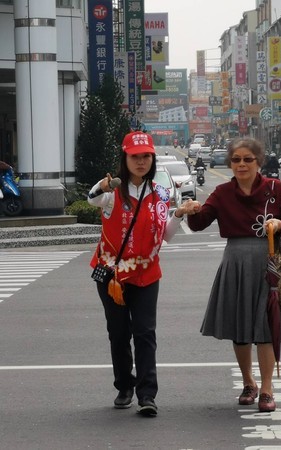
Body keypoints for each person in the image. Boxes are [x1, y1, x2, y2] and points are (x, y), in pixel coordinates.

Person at [88, 131, 197, 417]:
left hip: (147, 274)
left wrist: (179, 214)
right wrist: (102, 184)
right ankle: (124, 386)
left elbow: (166, 237)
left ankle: (147, 394)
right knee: (119, 333)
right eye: (135, 156)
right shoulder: (112, 192)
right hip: (113, 275)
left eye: (146, 156)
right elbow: (91, 200)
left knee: (145, 333)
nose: (141, 161)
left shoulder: (159, 193)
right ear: (125, 158)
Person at [186, 137, 281, 413]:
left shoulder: (274, 188)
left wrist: (279, 223)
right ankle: (249, 383)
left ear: (259, 162)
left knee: (266, 329)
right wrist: (191, 209)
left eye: (248, 159)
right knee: (239, 329)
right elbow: (199, 224)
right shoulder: (222, 192)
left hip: (267, 263)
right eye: (236, 160)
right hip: (234, 262)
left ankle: (268, 389)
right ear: (230, 163)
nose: (242, 164)